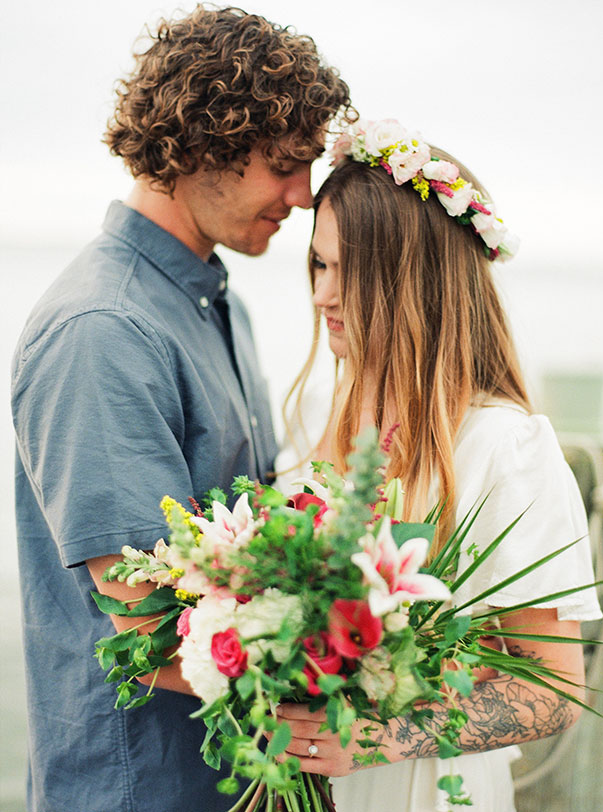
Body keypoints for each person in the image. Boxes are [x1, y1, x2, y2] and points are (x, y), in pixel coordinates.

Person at [10, 6, 353, 811]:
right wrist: (368, 658)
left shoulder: (207, 301)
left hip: (231, 775)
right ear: (205, 146)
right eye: (285, 165)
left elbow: (245, 537)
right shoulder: (104, 329)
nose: (304, 197)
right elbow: (146, 619)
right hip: (140, 785)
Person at [274, 119, 602, 811]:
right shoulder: (311, 420)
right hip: (294, 783)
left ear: (414, 281)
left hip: (423, 791)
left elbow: (554, 688)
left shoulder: (503, 450)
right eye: (318, 264)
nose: (322, 296)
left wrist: (372, 739)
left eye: (347, 271)